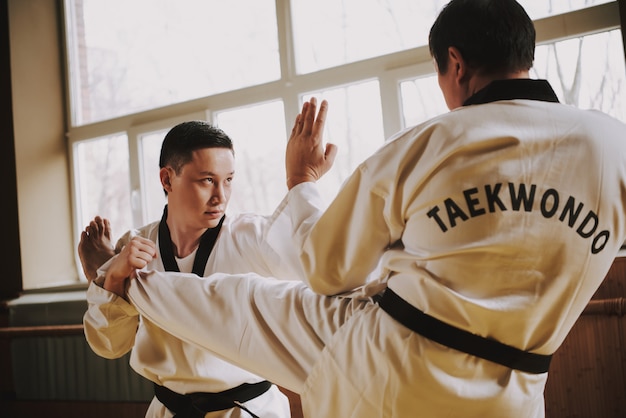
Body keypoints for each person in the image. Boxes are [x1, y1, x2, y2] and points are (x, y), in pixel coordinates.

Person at [122, 0, 626, 416]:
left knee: (244, 299)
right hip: (516, 390)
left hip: (391, 368)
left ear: (455, 63)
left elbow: (326, 272)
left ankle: (125, 280)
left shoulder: (431, 141)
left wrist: (301, 182)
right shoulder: (612, 144)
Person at [82, 120, 329, 417]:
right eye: (207, 180)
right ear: (167, 179)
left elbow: (327, 268)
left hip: (246, 410)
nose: (220, 196)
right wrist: (114, 277)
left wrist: (304, 181)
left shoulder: (253, 237)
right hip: (167, 410)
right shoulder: (136, 246)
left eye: (228, 180)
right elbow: (109, 346)